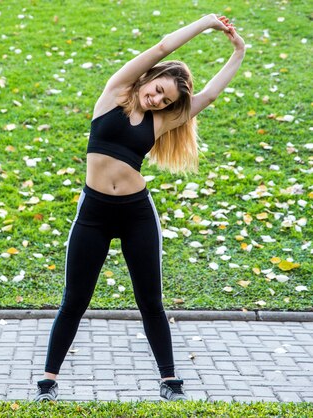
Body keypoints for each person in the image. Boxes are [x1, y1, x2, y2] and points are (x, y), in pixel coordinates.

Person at [34, 14, 245, 402]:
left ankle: (169, 380)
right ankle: (48, 381)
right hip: (94, 214)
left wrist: (238, 52)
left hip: (136, 214)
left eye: (166, 101)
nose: (158, 100)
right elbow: (165, 47)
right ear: (150, 77)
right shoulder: (114, 92)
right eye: (159, 90)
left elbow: (209, 96)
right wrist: (205, 23)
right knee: (75, 299)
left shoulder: (159, 124)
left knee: (150, 299)